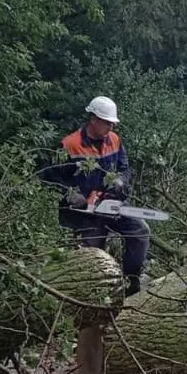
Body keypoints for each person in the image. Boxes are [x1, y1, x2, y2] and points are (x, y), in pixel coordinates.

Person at [49, 95, 150, 296]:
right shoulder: (70, 144)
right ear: (93, 119)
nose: (110, 128)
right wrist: (70, 194)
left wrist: (121, 181)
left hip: (111, 203)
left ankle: (132, 283)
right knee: (91, 260)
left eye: (112, 123)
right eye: (106, 123)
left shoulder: (114, 140)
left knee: (141, 231)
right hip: (84, 214)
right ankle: (91, 299)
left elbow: (124, 168)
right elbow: (51, 178)